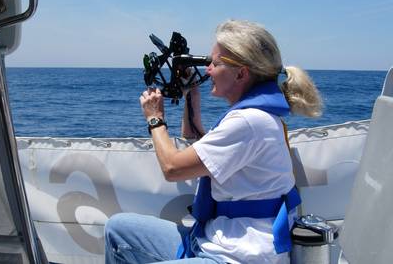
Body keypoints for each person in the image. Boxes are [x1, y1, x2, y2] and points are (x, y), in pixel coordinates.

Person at [105, 19, 322, 264]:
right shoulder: (255, 118)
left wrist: (155, 119)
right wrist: (191, 94)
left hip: (237, 257)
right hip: (213, 240)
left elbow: (173, 167)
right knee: (117, 229)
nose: (208, 70)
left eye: (215, 63)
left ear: (241, 73)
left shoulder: (249, 121)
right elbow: (197, 141)